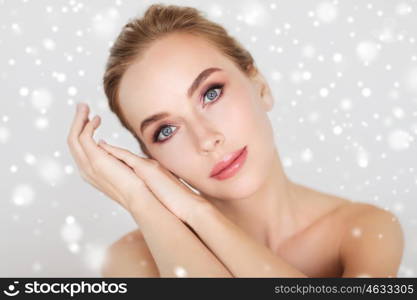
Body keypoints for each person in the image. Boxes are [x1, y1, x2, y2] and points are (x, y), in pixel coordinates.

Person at [67, 4, 404, 277]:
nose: (207, 139)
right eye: (165, 131)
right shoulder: (132, 261)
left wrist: (198, 213)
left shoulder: (365, 230)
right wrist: (141, 200)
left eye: (210, 93)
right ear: (152, 159)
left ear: (260, 86)